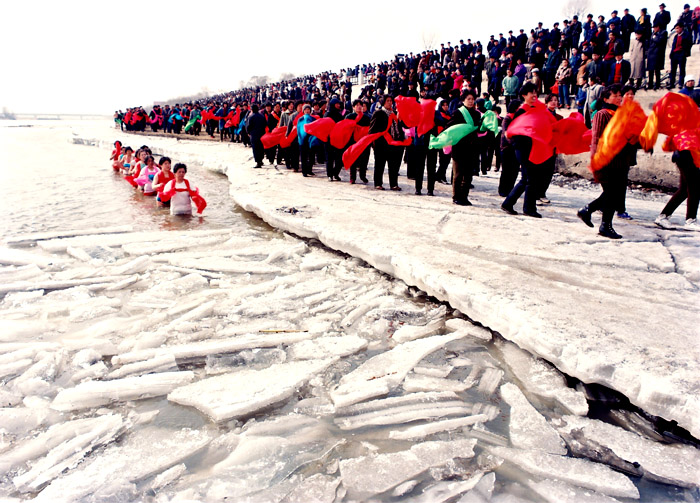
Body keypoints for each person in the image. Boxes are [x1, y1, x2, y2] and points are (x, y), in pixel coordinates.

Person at [577, 85, 628, 239]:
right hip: (606, 160)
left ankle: (601, 222)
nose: (619, 98)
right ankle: (592, 214)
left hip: (619, 160)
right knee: (612, 193)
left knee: (614, 194)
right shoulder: (602, 114)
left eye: (620, 95)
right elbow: (597, 139)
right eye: (615, 95)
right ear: (605, 99)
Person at [501, 82, 550, 218]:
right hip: (523, 148)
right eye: (531, 93)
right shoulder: (522, 110)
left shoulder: (534, 109)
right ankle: (527, 207)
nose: (534, 95)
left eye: (535, 92)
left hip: (530, 147)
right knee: (530, 178)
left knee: (527, 178)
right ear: (524, 95)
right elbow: (514, 129)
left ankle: (511, 203)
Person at [447, 90, 482, 206]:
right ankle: (456, 196)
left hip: (471, 148)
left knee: (468, 175)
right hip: (459, 147)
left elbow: (479, 129)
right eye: (469, 99)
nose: (471, 101)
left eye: (473, 99)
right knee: (458, 174)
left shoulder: (477, 114)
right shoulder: (458, 113)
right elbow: (450, 127)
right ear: (463, 100)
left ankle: (464, 196)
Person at [654, 150, 700, 230]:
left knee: (684, 190)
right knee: (694, 189)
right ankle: (690, 220)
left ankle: (663, 216)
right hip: (688, 155)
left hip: (685, 155)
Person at [369, 95, 404, 190]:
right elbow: (372, 129)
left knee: (394, 166)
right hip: (381, 144)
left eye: (391, 101)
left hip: (394, 143)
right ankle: (378, 183)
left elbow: (398, 127)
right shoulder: (379, 113)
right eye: (387, 101)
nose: (390, 102)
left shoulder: (394, 113)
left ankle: (393, 184)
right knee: (380, 165)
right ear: (383, 102)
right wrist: (374, 142)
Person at [499, 100, 522, 197]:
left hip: (515, 148)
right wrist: (514, 143)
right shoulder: (507, 119)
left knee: (514, 170)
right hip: (507, 148)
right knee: (506, 170)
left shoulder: (519, 118)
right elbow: (506, 134)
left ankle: (510, 189)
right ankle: (503, 190)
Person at [669, 23, 693, 89]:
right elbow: (673, 46)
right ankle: (671, 83)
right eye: (675, 28)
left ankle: (681, 83)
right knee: (673, 70)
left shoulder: (686, 35)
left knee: (682, 69)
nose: (676, 30)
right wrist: (671, 53)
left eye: (677, 28)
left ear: (681, 28)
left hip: (681, 54)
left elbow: (689, 44)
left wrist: (685, 52)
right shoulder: (676, 36)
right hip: (674, 54)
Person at [647, 23, 668, 90]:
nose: (654, 29)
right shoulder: (653, 33)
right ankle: (650, 84)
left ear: (658, 27)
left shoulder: (663, 32)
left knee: (657, 70)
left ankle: (657, 84)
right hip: (651, 53)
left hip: (657, 54)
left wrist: (654, 38)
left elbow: (659, 41)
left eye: (655, 27)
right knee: (650, 70)